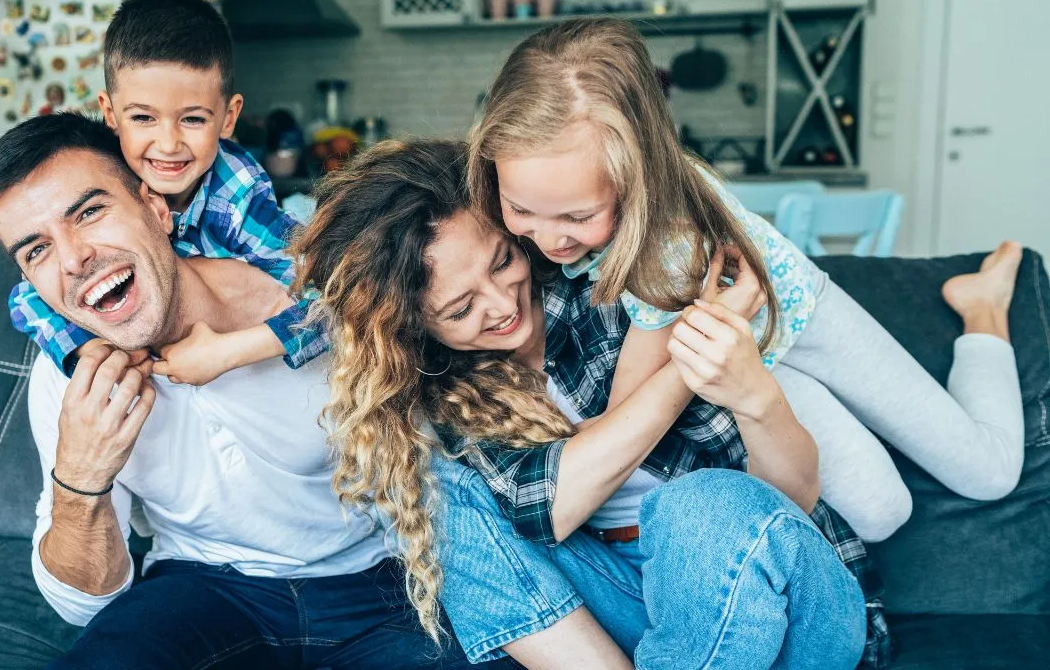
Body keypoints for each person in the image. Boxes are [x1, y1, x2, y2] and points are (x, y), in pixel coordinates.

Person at [292, 138, 879, 669]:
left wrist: (692, 339)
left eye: (502, 261)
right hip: (633, 607)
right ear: (414, 328)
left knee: (696, 506)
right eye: (459, 309)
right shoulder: (448, 391)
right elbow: (550, 508)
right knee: (434, 494)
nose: (501, 306)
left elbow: (785, 503)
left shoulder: (614, 287)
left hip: (786, 596)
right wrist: (684, 362)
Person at [0, 114, 529, 669]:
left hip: (382, 585)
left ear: (156, 208)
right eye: (36, 251)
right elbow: (83, 601)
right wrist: (81, 478)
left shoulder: (307, 303)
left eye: (89, 213)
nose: (73, 258)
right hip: (205, 590)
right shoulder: (69, 374)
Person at [467, 17, 1025, 541]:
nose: (547, 241)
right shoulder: (533, 193)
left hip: (802, 319)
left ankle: (982, 309)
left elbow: (623, 423)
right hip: (754, 358)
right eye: (521, 210)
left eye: (578, 217)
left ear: (638, 178)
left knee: (989, 472)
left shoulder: (667, 249)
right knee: (882, 513)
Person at [8, 0, 324, 387]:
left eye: (192, 119)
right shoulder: (104, 181)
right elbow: (27, 298)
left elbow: (334, 305)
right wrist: (87, 349)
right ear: (110, 115)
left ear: (228, 119)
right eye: (143, 118)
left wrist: (226, 352)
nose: (169, 144)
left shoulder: (235, 196)